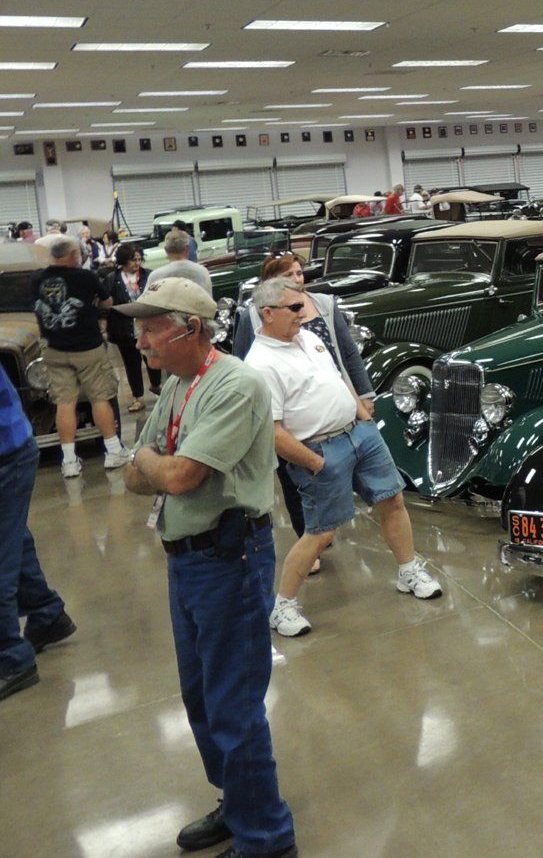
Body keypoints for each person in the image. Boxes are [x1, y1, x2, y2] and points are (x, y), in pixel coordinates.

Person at [116, 278, 297, 857]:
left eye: (150, 326)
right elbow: (131, 477)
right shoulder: (177, 384)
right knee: (199, 696)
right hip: (187, 559)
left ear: (190, 328)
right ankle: (238, 803)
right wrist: (153, 462)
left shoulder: (235, 384)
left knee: (233, 705)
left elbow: (176, 477)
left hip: (230, 559)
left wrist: (151, 460)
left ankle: (266, 838)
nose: (139, 338)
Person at [243, 277, 441, 639]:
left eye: (301, 305)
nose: (303, 312)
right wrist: (315, 462)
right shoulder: (260, 365)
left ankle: (408, 570)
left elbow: (338, 376)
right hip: (318, 450)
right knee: (321, 531)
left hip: (359, 434)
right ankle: (283, 606)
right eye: (295, 307)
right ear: (267, 314)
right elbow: (271, 432)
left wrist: (364, 418)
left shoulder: (308, 337)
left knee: (393, 500)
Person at [231, 254, 375, 555]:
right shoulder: (253, 317)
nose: (297, 279)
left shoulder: (323, 304)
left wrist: (364, 397)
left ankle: (326, 528)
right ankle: (307, 538)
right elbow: (244, 365)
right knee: (296, 480)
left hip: (335, 403)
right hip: (288, 416)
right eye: (288, 275)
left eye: (299, 273)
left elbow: (346, 354)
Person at [0, 360, 76, 702]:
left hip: (7, 455)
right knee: (12, 541)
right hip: (11, 447)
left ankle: (11, 660)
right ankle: (47, 615)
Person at [32, 235, 128, 478]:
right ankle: (114, 451)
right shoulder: (85, 276)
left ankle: (69, 461)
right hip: (88, 349)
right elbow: (107, 300)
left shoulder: (37, 279)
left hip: (53, 350)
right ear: (73, 255)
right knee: (99, 399)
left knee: (64, 403)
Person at [106, 242, 160, 413]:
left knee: (153, 359)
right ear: (123, 261)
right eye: (132, 260)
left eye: (139, 259)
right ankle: (138, 397)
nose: (137, 263)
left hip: (147, 325)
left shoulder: (148, 275)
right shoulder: (112, 279)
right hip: (124, 328)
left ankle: (156, 386)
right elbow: (107, 304)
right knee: (131, 364)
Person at [149, 229, 213, 295]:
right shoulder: (202, 272)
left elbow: (145, 301)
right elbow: (208, 301)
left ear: (166, 250)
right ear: (187, 248)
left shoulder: (155, 276)